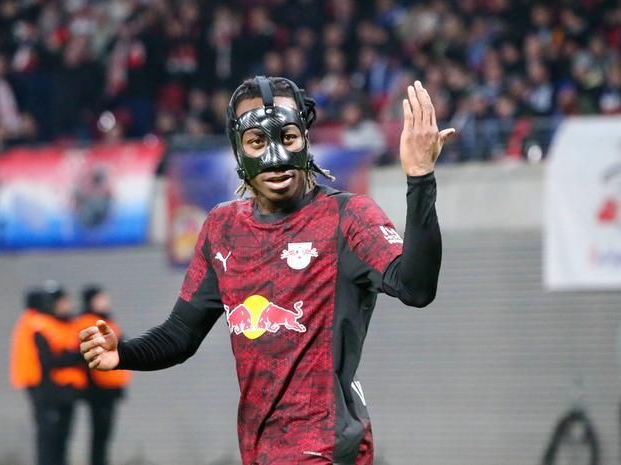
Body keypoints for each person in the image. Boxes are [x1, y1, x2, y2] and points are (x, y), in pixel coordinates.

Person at [79, 76, 454, 465]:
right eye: (257, 141)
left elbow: (416, 287)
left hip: (327, 449)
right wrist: (124, 352)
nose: (275, 156)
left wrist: (420, 179)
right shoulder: (222, 228)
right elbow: (181, 334)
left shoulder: (348, 217)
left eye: (287, 137)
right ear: (237, 148)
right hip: (261, 451)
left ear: (305, 138)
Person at [74, 285, 131, 465]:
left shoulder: (106, 321)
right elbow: (85, 355)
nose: (106, 302)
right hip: (98, 388)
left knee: (104, 435)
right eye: (101, 298)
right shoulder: (88, 323)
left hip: (110, 387)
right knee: (99, 434)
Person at [33, 284, 87, 465]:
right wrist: (74, 355)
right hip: (52, 391)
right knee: (50, 439)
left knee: (64, 438)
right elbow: (49, 361)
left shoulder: (70, 325)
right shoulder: (44, 327)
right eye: (62, 302)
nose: (67, 305)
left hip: (69, 391)